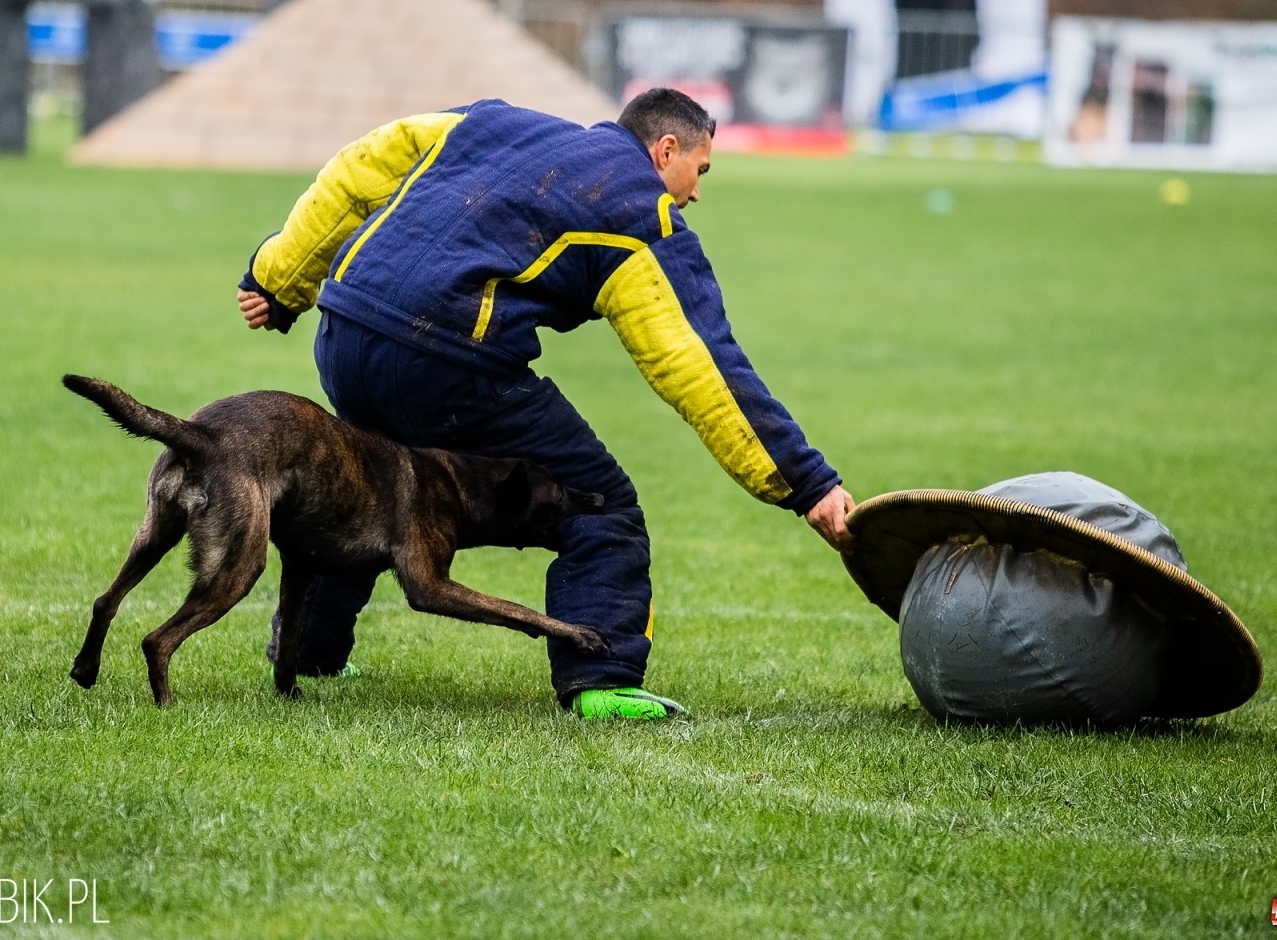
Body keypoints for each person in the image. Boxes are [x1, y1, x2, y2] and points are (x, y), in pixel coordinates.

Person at [236, 88, 853, 720]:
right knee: (599, 502)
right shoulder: (638, 213)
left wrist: (280, 278)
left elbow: (360, 167)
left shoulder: (492, 123)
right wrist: (805, 484)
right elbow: (700, 363)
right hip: (446, 359)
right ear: (666, 150)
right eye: (699, 170)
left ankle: (308, 650)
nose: (695, 193)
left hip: (344, 331)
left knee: (370, 484)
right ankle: (601, 677)